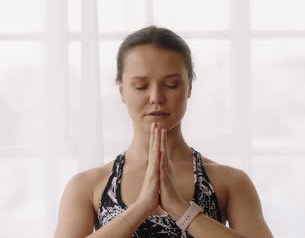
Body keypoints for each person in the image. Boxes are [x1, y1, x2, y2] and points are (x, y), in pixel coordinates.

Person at [54, 26, 273, 238]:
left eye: (170, 85)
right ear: (122, 91)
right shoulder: (87, 186)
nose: (156, 97)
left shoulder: (230, 183)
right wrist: (141, 208)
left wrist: (180, 209)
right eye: (140, 86)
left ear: (189, 88)